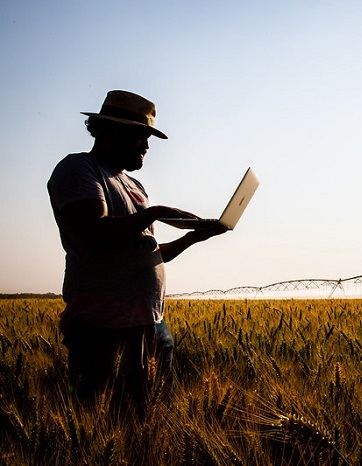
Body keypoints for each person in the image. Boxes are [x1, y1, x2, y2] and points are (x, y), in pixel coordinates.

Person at [47, 90, 227, 412]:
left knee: (145, 418)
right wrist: (152, 213)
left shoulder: (135, 186)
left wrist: (195, 238)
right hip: (101, 325)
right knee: (96, 417)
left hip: (151, 322)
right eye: (141, 137)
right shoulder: (79, 169)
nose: (146, 146)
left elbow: (148, 251)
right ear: (112, 132)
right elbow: (92, 233)